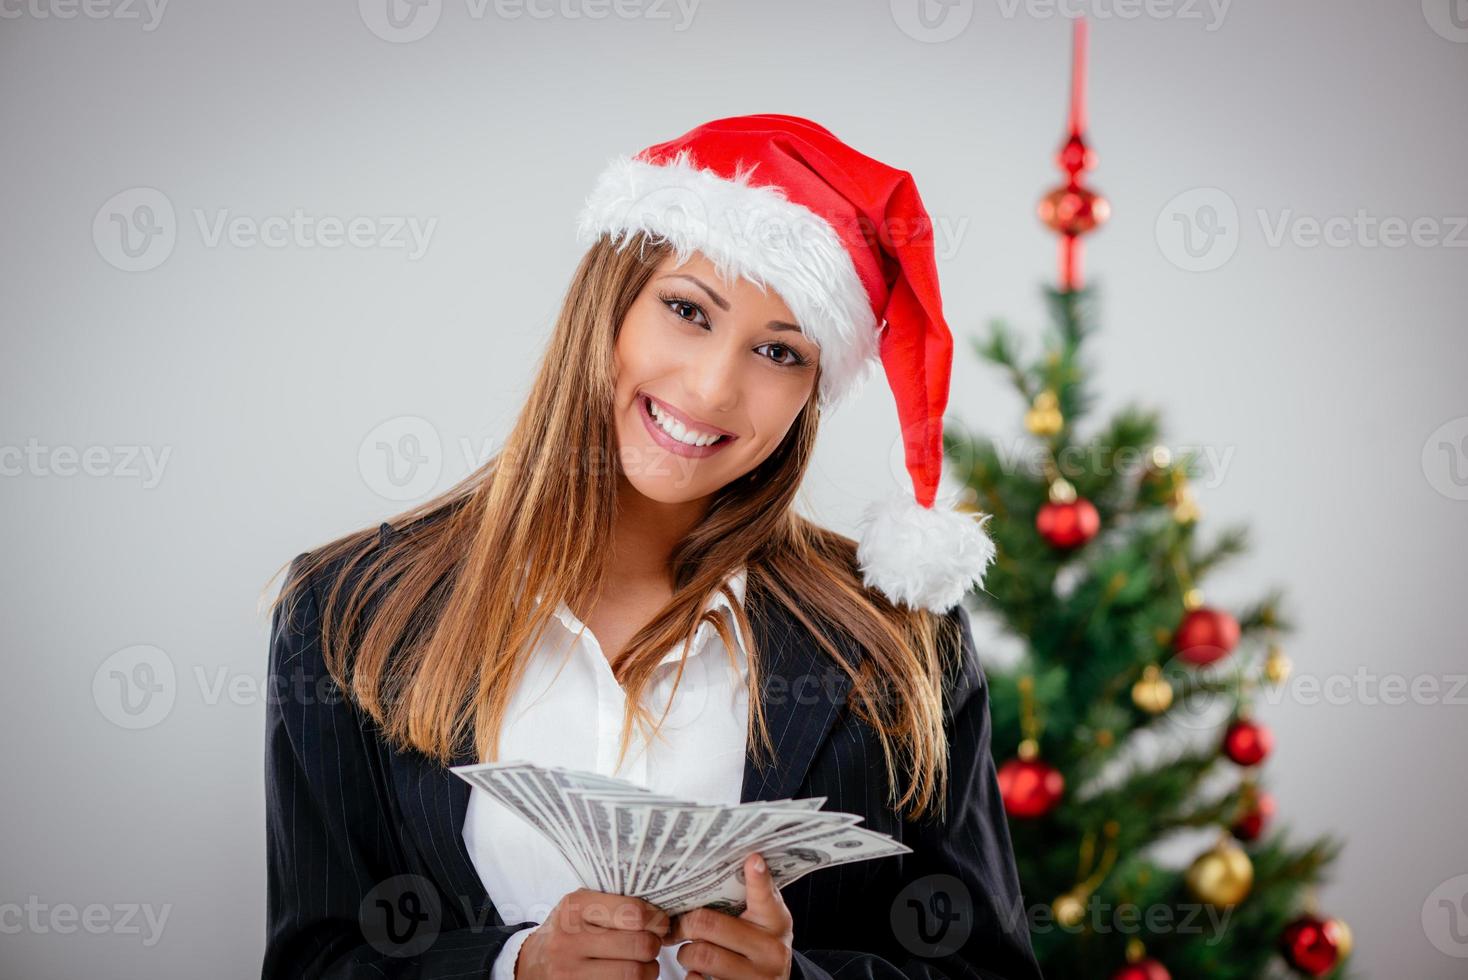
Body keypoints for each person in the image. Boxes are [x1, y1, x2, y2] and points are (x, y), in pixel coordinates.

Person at [262, 114, 1044, 980]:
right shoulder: (349, 609)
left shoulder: (900, 639)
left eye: (779, 352)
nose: (712, 387)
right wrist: (513, 967)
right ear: (610, 302)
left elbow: (987, 972)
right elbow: (315, 963)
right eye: (686, 311)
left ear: (811, 394)